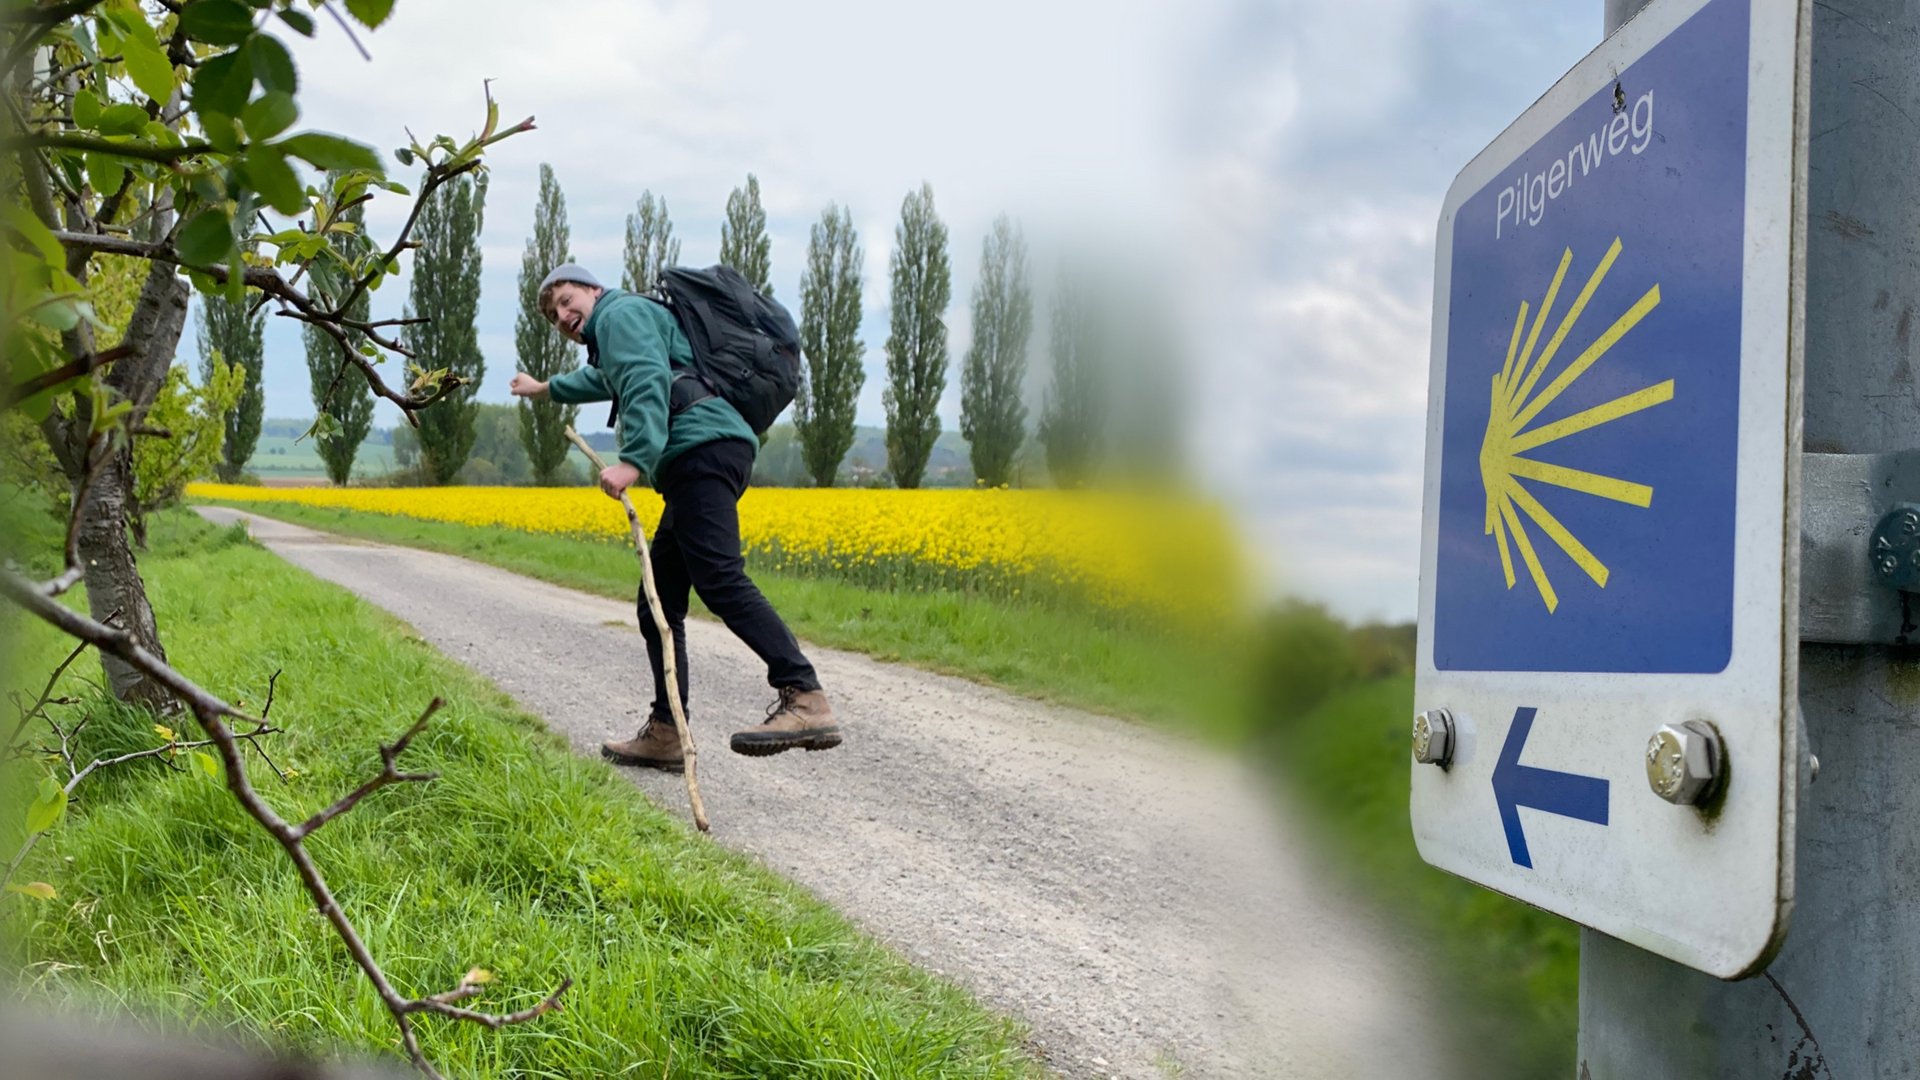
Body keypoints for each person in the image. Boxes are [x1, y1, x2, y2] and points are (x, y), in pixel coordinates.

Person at [510, 263, 840, 769]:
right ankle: (667, 731)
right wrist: (545, 388)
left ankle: (804, 696)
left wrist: (634, 461)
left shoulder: (619, 314)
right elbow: (605, 376)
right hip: (705, 450)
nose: (563, 316)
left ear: (594, 290)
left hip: (701, 449)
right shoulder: (622, 326)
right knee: (658, 599)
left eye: (567, 300)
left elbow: (643, 376)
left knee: (720, 578)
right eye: (555, 316)